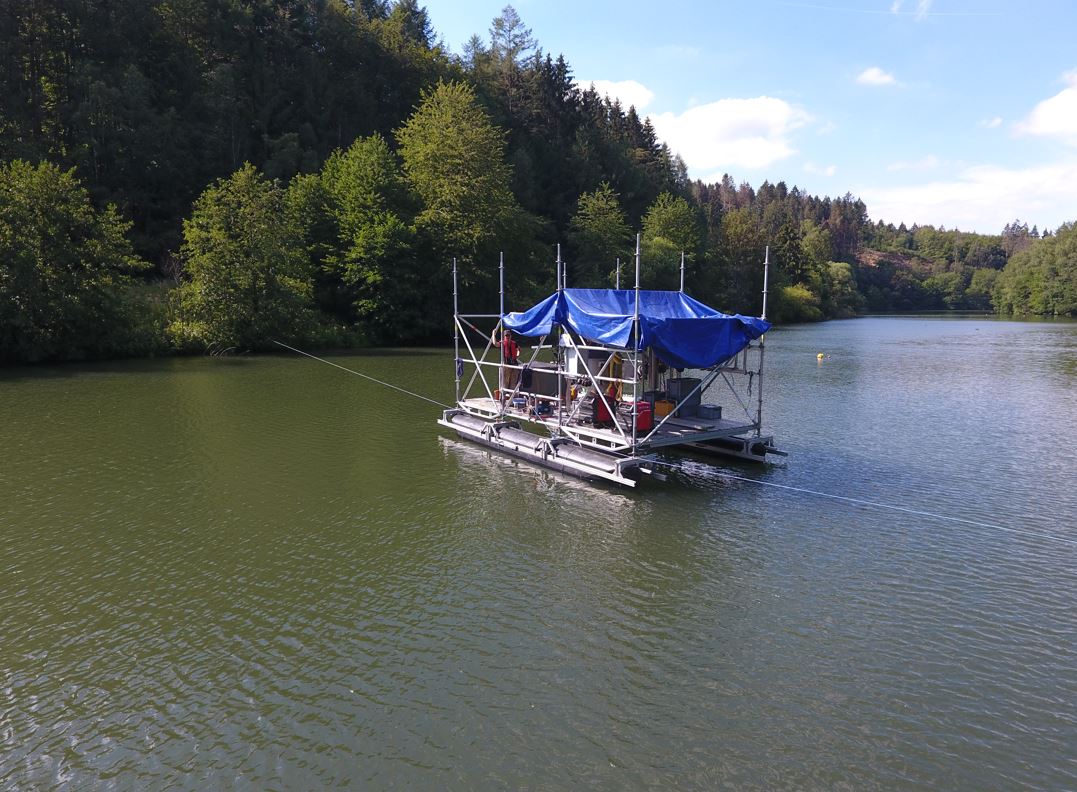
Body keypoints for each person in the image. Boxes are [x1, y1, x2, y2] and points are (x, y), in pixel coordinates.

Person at [494, 328, 520, 394]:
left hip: (514, 365)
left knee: (513, 382)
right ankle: (503, 396)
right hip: (506, 365)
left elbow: (519, 349)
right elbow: (495, 344)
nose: (507, 337)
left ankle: (512, 396)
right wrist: (493, 334)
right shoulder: (502, 343)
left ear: (511, 336)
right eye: (506, 336)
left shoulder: (514, 343)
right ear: (504, 336)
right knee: (504, 382)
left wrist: (517, 355)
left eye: (508, 335)